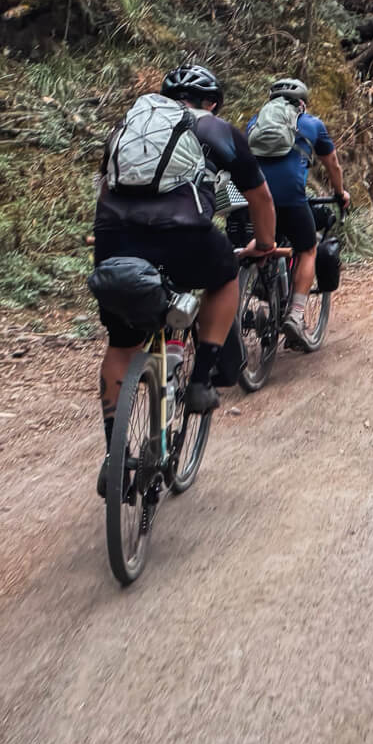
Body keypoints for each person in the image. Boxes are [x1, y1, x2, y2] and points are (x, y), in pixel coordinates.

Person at [93, 65, 276, 495]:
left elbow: (106, 184)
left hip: (114, 237)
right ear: (211, 102)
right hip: (183, 235)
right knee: (225, 276)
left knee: (121, 344)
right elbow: (260, 197)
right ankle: (200, 381)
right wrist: (264, 244)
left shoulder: (131, 127)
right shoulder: (217, 129)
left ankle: (113, 458)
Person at [250, 78, 349, 328]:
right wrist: (340, 193)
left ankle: (257, 294)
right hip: (290, 197)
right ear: (302, 104)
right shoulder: (312, 124)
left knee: (260, 244)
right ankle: (295, 315)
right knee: (308, 249)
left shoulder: (254, 122)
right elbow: (333, 165)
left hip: (252, 198)